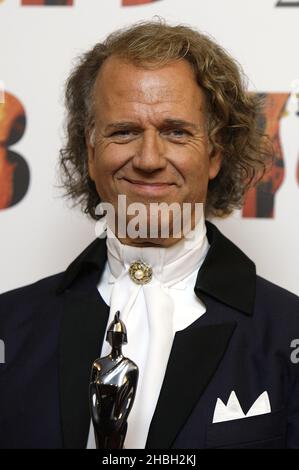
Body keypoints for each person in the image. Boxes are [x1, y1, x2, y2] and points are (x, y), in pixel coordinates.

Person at [0, 20, 298, 449]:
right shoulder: (10, 327)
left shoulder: (287, 332)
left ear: (214, 153)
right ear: (90, 150)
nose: (149, 159)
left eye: (177, 132)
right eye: (124, 131)